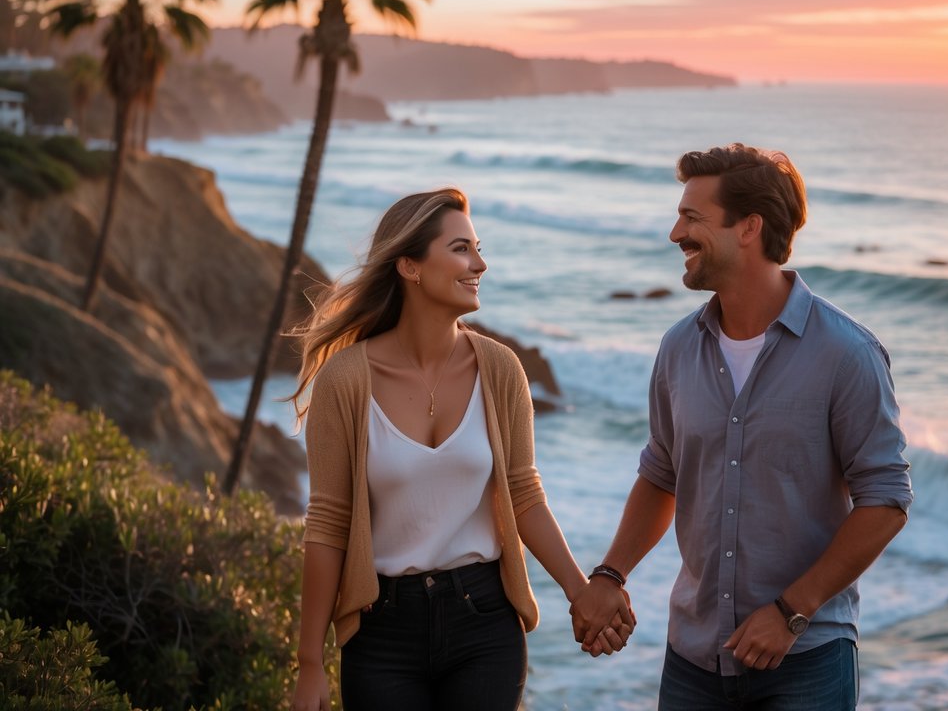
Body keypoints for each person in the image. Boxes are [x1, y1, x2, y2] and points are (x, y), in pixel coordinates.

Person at [570, 145, 912, 709]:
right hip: (693, 660)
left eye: (692, 218)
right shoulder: (679, 347)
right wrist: (611, 574)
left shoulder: (846, 354)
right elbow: (662, 474)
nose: (674, 232)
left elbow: (886, 500)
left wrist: (790, 612)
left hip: (805, 662)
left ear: (749, 227)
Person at [287, 188, 634, 711]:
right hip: (382, 632)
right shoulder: (346, 380)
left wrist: (581, 590)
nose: (480, 263)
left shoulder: (500, 369)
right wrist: (310, 661)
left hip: (485, 624)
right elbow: (329, 522)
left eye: (478, 247)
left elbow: (524, 493)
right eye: (461, 249)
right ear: (410, 266)